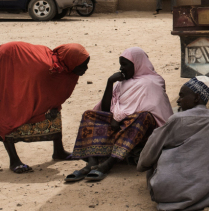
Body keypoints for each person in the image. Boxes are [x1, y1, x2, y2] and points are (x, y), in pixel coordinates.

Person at [0, 42, 90, 174]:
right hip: (8, 59)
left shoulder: (66, 69)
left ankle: (58, 151)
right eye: (82, 65)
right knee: (9, 109)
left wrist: (51, 106)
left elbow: (54, 95)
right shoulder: (46, 69)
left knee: (54, 108)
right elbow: (30, 88)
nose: (86, 68)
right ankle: (14, 160)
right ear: (71, 61)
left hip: (27, 66)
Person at [66, 47, 173, 183]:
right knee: (89, 115)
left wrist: (119, 118)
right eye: (120, 64)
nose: (122, 68)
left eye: (125, 65)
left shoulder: (153, 82)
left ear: (137, 64)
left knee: (143, 117)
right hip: (120, 122)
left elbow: (151, 107)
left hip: (140, 127)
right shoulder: (121, 83)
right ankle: (91, 163)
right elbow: (105, 109)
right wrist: (110, 83)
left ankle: (109, 163)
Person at [138, 78, 209, 211]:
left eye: (182, 96)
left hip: (166, 193)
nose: (178, 100)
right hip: (208, 191)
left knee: (154, 162)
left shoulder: (176, 120)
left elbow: (145, 160)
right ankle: (208, 193)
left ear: (196, 97)